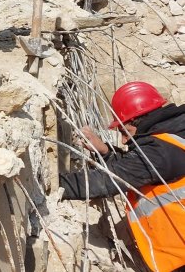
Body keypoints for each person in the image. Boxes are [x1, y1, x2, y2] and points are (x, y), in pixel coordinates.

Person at [59, 81, 185, 272]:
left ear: (138, 119)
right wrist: (105, 152)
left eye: (124, 131)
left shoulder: (158, 152)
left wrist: (55, 185)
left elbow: (106, 181)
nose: (124, 140)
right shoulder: (173, 134)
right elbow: (138, 168)